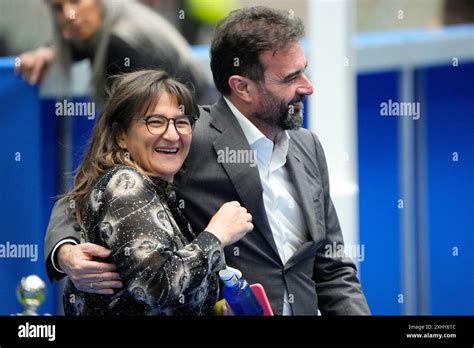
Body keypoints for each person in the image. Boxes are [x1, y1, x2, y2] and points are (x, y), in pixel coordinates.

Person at [45, 6, 370, 315]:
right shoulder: (183, 136)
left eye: (305, 71)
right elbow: (96, 188)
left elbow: (333, 268)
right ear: (241, 87)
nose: (308, 87)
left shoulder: (307, 146)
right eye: (290, 78)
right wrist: (65, 251)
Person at [58, 69, 252, 315]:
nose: (172, 135)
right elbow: (159, 287)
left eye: (181, 122)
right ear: (121, 136)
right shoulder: (125, 184)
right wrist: (217, 235)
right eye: (155, 121)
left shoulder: (160, 188)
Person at [14, 0, 216, 103]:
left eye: (76, 1)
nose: (69, 15)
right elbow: (79, 46)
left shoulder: (119, 44)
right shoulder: (116, 24)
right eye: (58, 8)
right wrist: (50, 51)